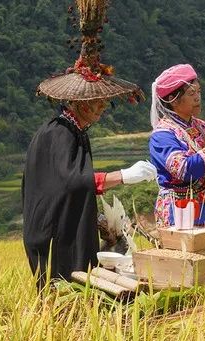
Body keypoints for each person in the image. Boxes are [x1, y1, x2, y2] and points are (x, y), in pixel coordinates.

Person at [22, 1, 156, 289]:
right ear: (79, 102)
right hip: (53, 235)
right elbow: (71, 181)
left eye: (104, 101)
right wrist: (122, 176)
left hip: (66, 229)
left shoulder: (76, 131)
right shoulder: (58, 133)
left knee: (78, 297)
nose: (103, 107)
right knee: (60, 298)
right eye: (97, 101)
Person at [149, 64, 205, 228]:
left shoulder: (202, 127)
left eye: (199, 92)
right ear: (173, 100)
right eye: (191, 93)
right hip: (179, 210)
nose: (198, 98)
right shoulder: (162, 135)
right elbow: (185, 171)